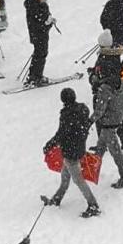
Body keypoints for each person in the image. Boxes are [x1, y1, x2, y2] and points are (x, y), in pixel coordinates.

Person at [42, 87, 100, 218]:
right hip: (78, 148)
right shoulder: (83, 109)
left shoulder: (66, 115)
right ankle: (57, 198)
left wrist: (49, 145)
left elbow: (61, 134)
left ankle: (93, 205)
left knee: (78, 180)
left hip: (70, 151)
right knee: (65, 176)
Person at [90, 29, 123, 190]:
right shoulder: (119, 83)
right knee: (102, 145)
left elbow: (100, 110)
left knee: (115, 151)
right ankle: (92, 169)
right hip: (116, 113)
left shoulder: (105, 87)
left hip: (109, 120)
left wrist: (89, 120)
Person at [24, 0, 55, 86]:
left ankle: (35, 75)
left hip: (42, 33)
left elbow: (45, 17)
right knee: (40, 54)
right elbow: (37, 20)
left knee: (41, 53)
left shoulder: (42, 3)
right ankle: (35, 77)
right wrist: (46, 23)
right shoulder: (33, 4)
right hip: (37, 33)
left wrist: (49, 22)